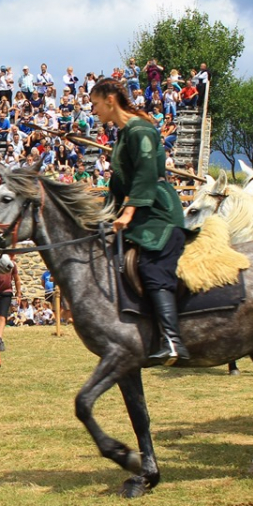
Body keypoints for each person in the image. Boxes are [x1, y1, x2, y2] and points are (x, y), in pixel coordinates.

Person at [90, 78, 190, 365]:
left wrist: (128, 213)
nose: (93, 110)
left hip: (157, 213)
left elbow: (146, 173)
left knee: (150, 265)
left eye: (95, 104)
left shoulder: (141, 130)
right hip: (141, 213)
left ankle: (172, 340)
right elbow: (119, 186)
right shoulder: (124, 134)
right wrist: (101, 217)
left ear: (110, 99)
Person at [0, 258, 21, 352]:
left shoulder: (11, 264)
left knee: (2, 316)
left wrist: (19, 294)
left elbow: (17, 280)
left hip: (6, 292)